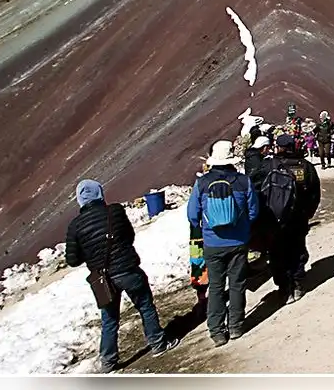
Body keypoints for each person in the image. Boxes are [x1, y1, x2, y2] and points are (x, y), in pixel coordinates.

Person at [65, 179, 179, 373]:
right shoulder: (115, 212)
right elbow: (130, 235)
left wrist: (91, 254)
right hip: (128, 269)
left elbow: (73, 260)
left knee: (109, 319)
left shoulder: (75, 226)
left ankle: (108, 362)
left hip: (103, 279)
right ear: (99, 193)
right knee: (145, 306)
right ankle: (158, 344)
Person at [187, 140, 259, 347]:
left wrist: (205, 230)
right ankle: (236, 326)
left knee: (217, 287)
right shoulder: (243, 181)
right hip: (238, 241)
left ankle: (217, 331)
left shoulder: (202, 184)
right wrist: (242, 226)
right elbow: (253, 211)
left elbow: (192, 215)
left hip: (213, 244)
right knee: (237, 284)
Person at [261, 134, 322, 303]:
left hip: (275, 219)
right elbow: (315, 193)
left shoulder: (268, 166)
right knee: (297, 250)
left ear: (278, 147)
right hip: (299, 217)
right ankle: (297, 284)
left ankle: (283, 288)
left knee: (277, 253)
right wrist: (308, 213)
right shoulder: (306, 166)